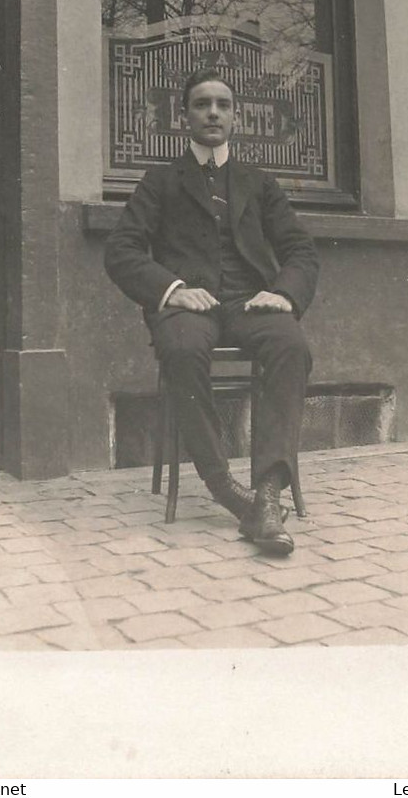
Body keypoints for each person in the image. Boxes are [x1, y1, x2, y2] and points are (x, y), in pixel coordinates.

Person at [104, 67, 319, 555]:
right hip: (189, 306)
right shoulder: (160, 182)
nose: (213, 112)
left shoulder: (258, 183)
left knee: (290, 344)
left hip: (249, 301)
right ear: (185, 117)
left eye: (222, 104)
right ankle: (226, 488)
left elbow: (301, 250)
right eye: (202, 104)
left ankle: (266, 492)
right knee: (180, 350)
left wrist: (283, 293)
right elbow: (121, 250)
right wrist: (172, 288)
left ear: (236, 117)